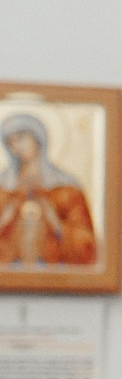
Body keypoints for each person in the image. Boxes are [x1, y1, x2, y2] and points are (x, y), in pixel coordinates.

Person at [0, 113, 98, 269]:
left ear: (38, 138)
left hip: (56, 276)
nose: (16, 147)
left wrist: (57, 224)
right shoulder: (3, 187)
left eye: (21, 138)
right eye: (10, 142)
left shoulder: (66, 188)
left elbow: (88, 245)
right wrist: (4, 221)